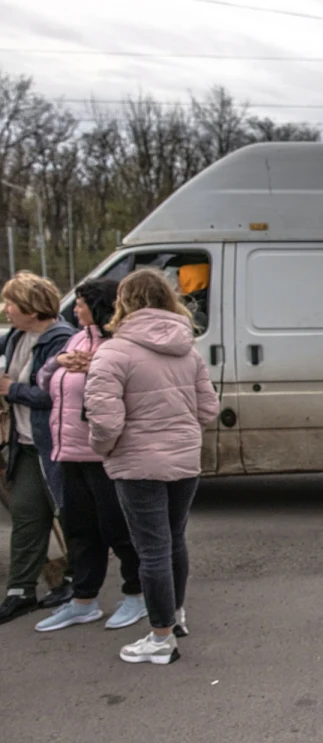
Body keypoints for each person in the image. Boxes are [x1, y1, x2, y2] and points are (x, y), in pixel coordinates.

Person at [85, 269, 219, 665]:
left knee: (152, 550)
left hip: (137, 464)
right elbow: (208, 409)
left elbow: (105, 421)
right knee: (174, 540)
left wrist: (103, 450)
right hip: (184, 460)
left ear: (123, 302)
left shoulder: (113, 352)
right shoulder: (188, 350)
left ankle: (161, 638)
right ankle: (175, 616)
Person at [33, 279, 148, 633]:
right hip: (69, 452)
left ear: (98, 306)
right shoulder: (75, 340)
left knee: (118, 529)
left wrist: (96, 367)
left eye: (81, 303)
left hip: (104, 454)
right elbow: (43, 382)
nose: (75, 308)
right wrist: (59, 361)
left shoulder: (121, 343)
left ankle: (137, 594)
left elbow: (133, 387)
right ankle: (83, 600)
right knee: (80, 530)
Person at [0, 272, 76, 624]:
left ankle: (76, 582)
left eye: (11, 303)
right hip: (26, 443)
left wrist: (12, 390)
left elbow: (55, 394)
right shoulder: (16, 337)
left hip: (58, 445)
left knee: (69, 515)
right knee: (27, 515)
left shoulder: (62, 339)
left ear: (31, 309)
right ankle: (20, 591)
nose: (5, 309)